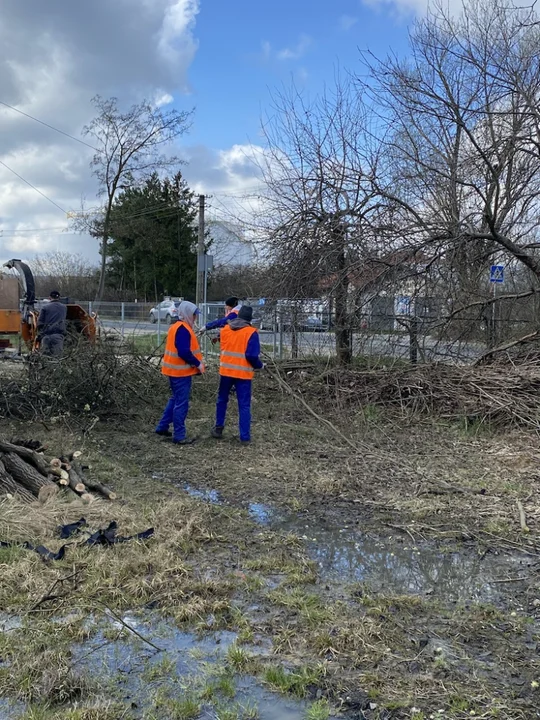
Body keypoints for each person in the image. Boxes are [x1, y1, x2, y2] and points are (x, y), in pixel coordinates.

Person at [211, 305, 264, 444]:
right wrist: (261, 365)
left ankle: (218, 428)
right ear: (249, 320)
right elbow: (252, 356)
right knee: (244, 405)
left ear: (239, 316)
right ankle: (244, 437)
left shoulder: (225, 330)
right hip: (243, 374)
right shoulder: (251, 332)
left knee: (222, 400)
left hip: (226, 372)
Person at [155, 301, 205, 445]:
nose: (195, 319)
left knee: (175, 399)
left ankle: (162, 427)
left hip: (173, 371)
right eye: (194, 316)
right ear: (188, 314)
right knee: (181, 404)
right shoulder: (183, 329)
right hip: (180, 373)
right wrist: (198, 364)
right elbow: (184, 351)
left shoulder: (176, 327)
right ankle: (179, 435)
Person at [37, 290, 67, 356]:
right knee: (58, 357)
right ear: (59, 298)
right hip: (58, 336)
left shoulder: (45, 307)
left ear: (49, 298)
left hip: (46, 336)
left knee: (45, 357)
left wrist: (40, 334)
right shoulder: (64, 307)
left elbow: (40, 323)